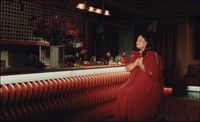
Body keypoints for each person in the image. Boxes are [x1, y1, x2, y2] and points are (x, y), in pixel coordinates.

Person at [113, 32, 164, 121]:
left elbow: (153, 73)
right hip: (134, 80)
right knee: (122, 90)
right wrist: (136, 62)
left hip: (148, 81)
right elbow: (127, 68)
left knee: (132, 93)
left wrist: (141, 65)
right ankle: (125, 116)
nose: (137, 41)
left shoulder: (151, 54)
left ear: (146, 43)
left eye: (140, 40)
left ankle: (135, 117)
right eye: (137, 40)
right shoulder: (135, 53)